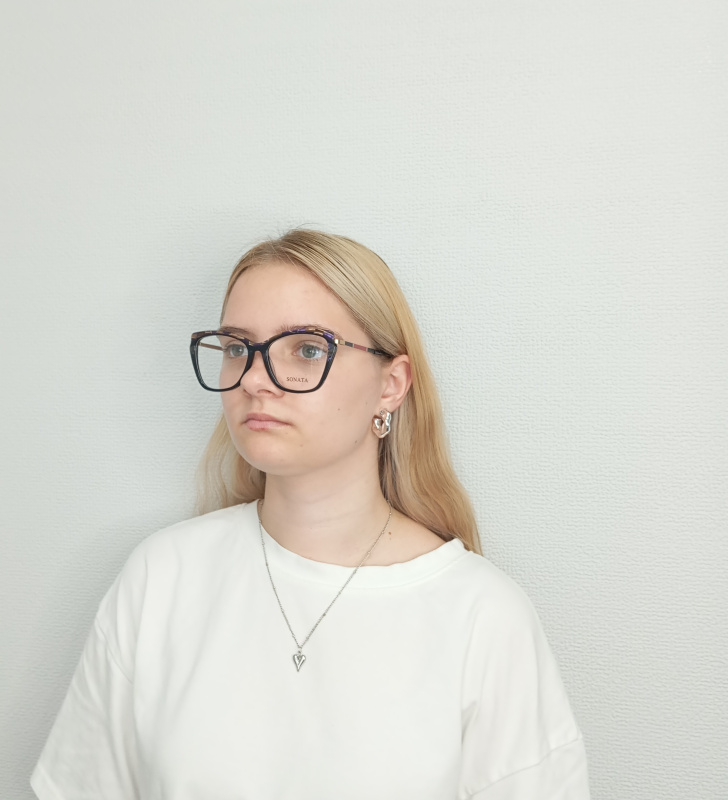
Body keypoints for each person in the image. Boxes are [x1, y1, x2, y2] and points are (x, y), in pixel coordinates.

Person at [30, 228, 591, 799]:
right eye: (237, 347)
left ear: (391, 384)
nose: (254, 380)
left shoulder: (483, 617)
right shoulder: (163, 576)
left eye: (306, 349)